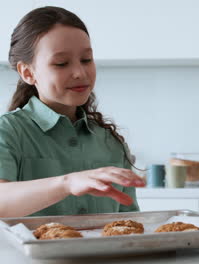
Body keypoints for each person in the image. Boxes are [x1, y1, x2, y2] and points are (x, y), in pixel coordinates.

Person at [0, 6, 145, 218]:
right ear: (28, 72)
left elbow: (129, 225)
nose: (80, 72)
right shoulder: (8, 132)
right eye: (61, 63)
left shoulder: (110, 143)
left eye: (86, 60)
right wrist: (67, 183)